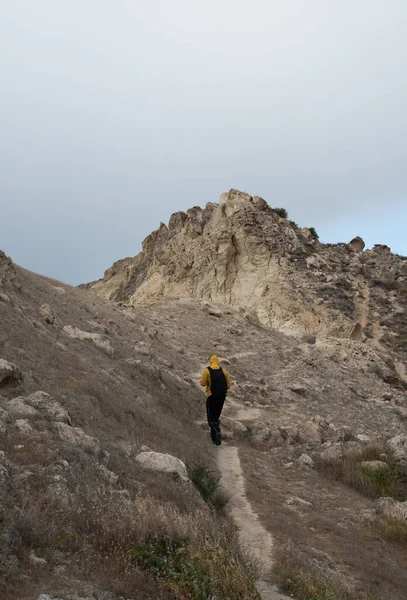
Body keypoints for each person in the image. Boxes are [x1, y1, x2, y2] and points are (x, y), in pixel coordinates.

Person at [200, 355, 231, 446]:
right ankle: (215, 437)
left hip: (212, 396)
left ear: (210, 361)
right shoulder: (224, 371)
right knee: (216, 416)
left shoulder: (207, 370)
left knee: (211, 417)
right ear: (218, 362)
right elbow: (228, 385)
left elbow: (202, 383)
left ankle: (216, 434)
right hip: (222, 397)